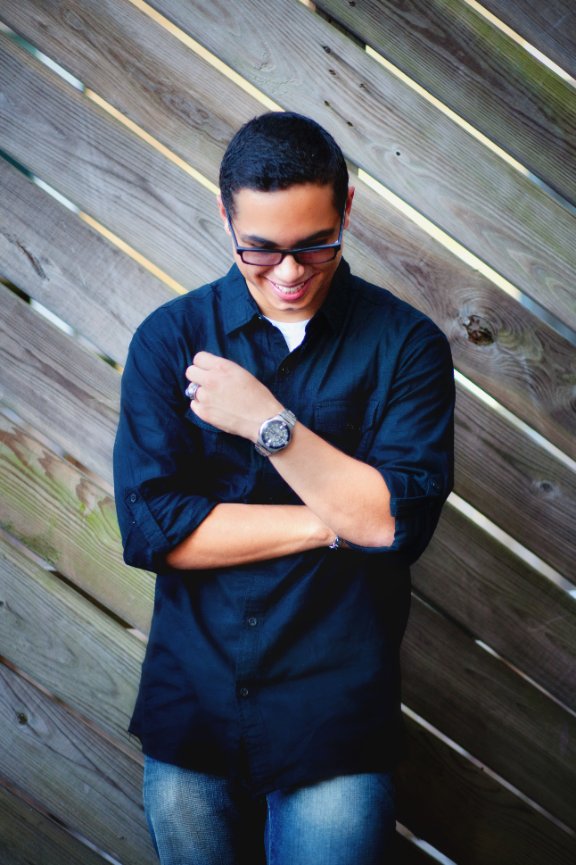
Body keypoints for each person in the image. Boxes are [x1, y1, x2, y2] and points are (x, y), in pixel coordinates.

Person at [113, 112, 454, 865]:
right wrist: (333, 518)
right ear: (225, 215)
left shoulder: (408, 347)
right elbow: (154, 531)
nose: (290, 272)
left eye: (316, 245)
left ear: (347, 208)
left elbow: (395, 523)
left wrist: (267, 423)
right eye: (261, 249)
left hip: (335, 718)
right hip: (192, 708)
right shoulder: (170, 339)